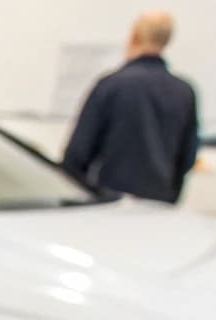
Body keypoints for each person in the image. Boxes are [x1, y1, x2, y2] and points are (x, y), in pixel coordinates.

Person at [62, 11, 200, 203]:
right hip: (159, 203)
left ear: (133, 36)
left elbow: (78, 153)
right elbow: (187, 157)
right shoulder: (184, 91)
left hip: (110, 201)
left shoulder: (112, 85)